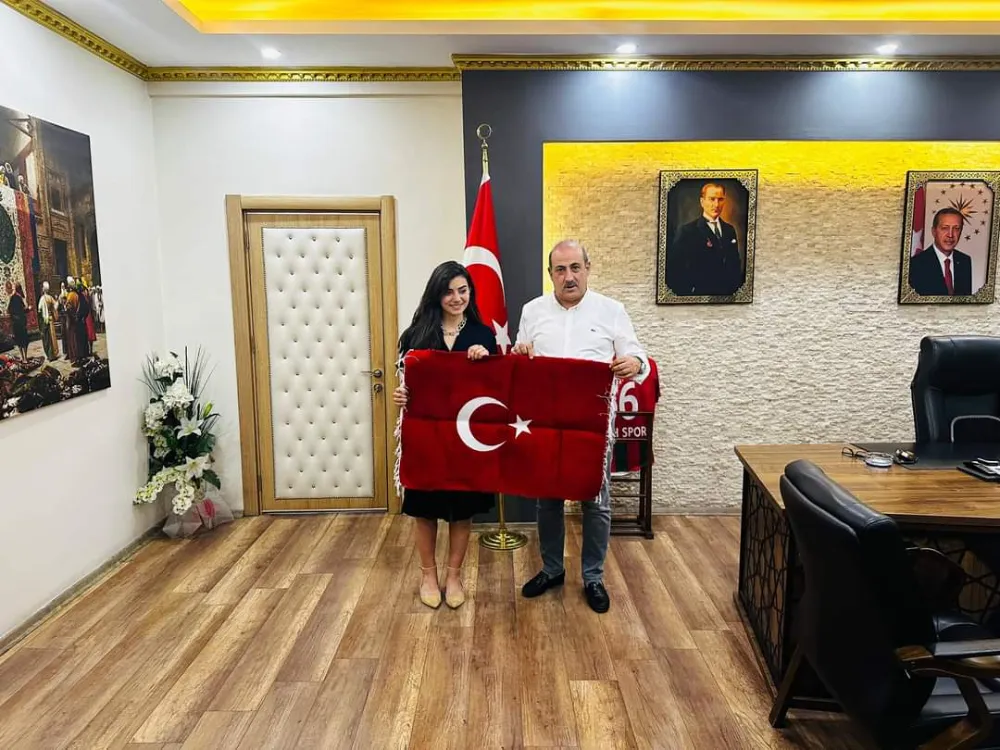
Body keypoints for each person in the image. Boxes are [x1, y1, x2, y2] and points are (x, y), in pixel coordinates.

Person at [513, 239, 649, 613]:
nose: (568, 276)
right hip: (547, 425)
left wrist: (635, 363)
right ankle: (552, 570)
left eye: (575, 267)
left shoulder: (611, 310)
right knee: (548, 501)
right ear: (550, 274)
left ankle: (593, 577)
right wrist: (520, 352)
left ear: (588, 268)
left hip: (593, 427)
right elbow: (520, 359)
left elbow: (637, 355)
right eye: (560, 269)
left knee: (596, 502)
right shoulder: (532, 311)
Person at [393, 260, 497, 609]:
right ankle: (428, 576)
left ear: (471, 293)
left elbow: (495, 390)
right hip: (427, 438)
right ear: (436, 294)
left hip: (467, 438)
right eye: (449, 291)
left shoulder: (484, 336)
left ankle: (453, 576)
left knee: (461, 510)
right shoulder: (415, 335)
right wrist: (401, 394)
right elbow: (406, 383)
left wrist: (486, 360)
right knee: (425, 509)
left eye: (463, 290)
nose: (456, 298)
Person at [666, 181, 743, 297]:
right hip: (700, 295)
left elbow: (735, 264)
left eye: (720, 199)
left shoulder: (729, 230)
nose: (716, 204)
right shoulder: (687, 231)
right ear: (702, 202)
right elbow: (676, 269)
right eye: (712, 199)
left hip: (727, 297)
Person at [909, 207, 974, 296]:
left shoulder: (964, 261)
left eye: (956, 228)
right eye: (944, 228)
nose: (950, 235)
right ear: (934, 231)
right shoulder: (915, 264)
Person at [7, 283, 28, 360]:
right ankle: (25, 358)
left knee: (19, 341)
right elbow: (23, 309)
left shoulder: (12, 298)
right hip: (21, 323)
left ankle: (23, 357)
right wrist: (28, 308)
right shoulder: (19, 297)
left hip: (15, 323)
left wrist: (14, 317)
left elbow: (9, 310)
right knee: (24, 340)